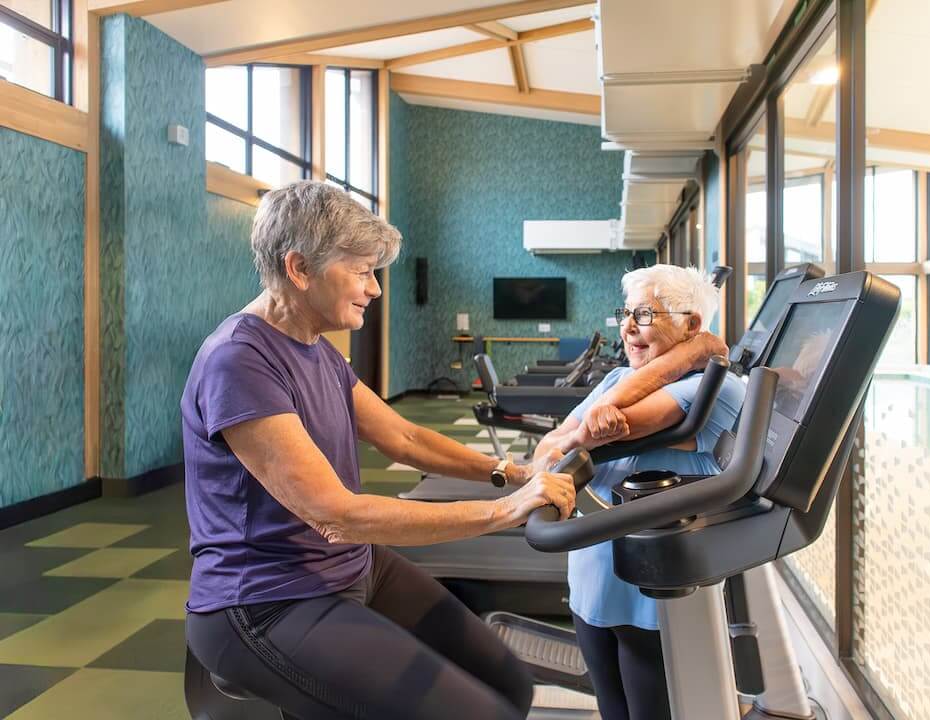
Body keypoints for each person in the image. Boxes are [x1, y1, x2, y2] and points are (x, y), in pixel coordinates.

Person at [182, 181, 583, 720]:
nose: (374, 289)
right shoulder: (240, 361)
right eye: (362, 271)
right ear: (299, 269)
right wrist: (504, 511)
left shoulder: (318, 351)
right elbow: (336, 514)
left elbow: (404, 438)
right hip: (266, 600)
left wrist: (513, 470)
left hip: (352, 567)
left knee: (507, 683)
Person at [531, 264, 742, 720]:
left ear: (691, 324)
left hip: (655, 599)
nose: (627, 326)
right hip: (592, 580)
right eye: (626, 313)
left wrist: (693, 357)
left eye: (644, 315)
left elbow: (611, 428)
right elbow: (546, 451)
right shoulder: (617, 381)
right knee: (612, 709)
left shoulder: (716, 389)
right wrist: (690, 350)